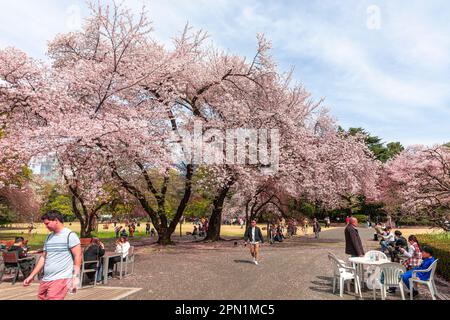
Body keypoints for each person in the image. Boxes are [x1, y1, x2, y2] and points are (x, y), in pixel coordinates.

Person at [23, 210, 82, 300]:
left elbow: (78, 256)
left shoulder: (70, 235)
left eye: (47, 223)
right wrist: (32, 275)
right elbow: (43, 257)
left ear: (56, 220)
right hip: (46, 279)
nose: (46, 226)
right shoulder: (49, 237)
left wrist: (75, 277)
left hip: (61, 278)